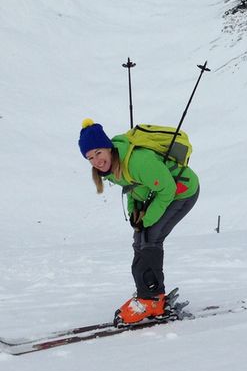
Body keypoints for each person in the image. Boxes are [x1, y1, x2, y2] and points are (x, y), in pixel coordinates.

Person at [78, 119, 200, 324]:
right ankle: (148, 294)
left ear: (108, 148)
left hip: (182, 191)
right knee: (140, 239)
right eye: (90, 157)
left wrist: (148, 219)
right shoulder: (111, 168)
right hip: (163, 193)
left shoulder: (138, 162)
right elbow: (133, 188)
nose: (96, 161)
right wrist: (135, 213)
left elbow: (167, 189)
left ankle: (152, 299)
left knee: (151, 237)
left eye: (98, 152)